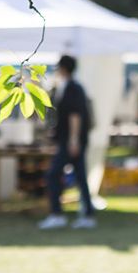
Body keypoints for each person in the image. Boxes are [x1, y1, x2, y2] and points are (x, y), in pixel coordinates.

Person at [39, 55, 96, 229]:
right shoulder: (68, 87)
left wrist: (73, 140)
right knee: (79, 176)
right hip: (70, 140)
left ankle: (58, 214)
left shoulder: (72, 88)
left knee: (54, 175)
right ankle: (86, 214)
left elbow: (75, 115)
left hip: (71, 141)